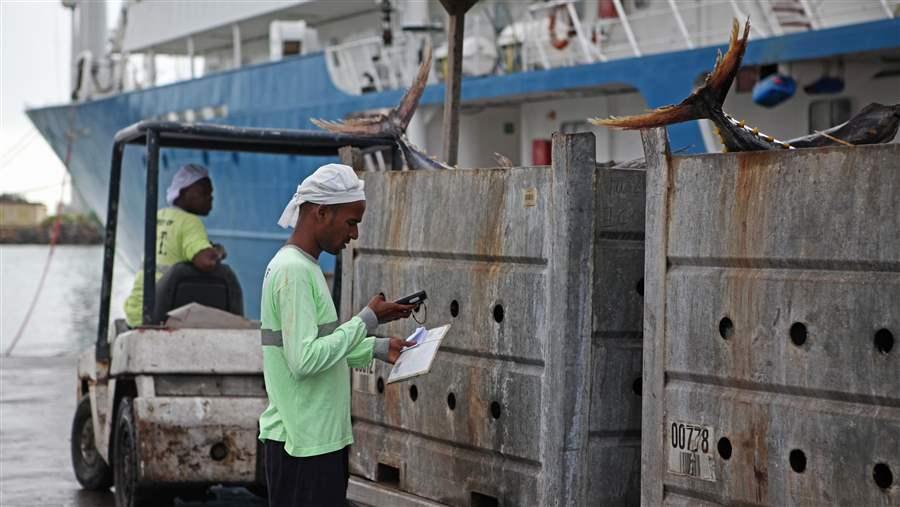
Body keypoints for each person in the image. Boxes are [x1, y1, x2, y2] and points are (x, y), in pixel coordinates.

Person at [259, 163, 415, 506]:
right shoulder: (294, 272)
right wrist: (366, 319)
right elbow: (303, 360)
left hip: (316, 441)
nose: (355, 234)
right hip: (301, 445)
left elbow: (320, 345)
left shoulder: (304, 268)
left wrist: (377, 347)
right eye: (351, 222)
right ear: (322, 212)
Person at [123, 163, 223, 326]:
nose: (210, 198)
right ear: (184, 192)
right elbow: (206, 262)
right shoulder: (190, 222)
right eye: (204, 192)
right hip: (162, 311)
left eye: (210, 193)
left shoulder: (159, 215)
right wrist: (218, 252)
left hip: (136, 311)